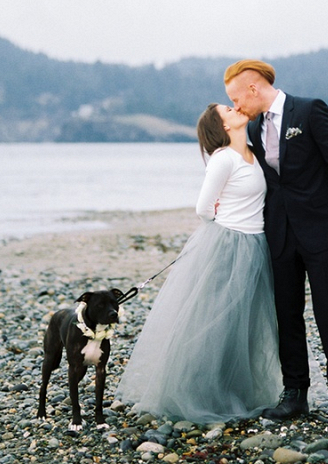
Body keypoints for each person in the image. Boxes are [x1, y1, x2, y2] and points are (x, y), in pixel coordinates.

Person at [224, 60, 328, 427]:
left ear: (254, 89)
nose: (237, 106)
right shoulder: (253, 126)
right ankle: (295, 394)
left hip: (321, 228)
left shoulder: (309, 110)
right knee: (285, 314)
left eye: (236, 98)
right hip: (278, 232)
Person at [116, 103, 282, 424]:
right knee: (217, 321)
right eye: (228, 110)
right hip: (228, 246)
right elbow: (203, 208)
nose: (236, 108)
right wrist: (224, 220)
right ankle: (200, 394)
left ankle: (238, 390)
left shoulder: (252, 152)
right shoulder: (223, 159)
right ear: (222, 127)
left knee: (246, 324)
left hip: (256, 244)